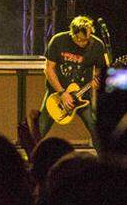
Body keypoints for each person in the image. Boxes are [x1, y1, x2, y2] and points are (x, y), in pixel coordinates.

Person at [37, 16, 107, 152]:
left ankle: (105, 161)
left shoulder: (97, 46)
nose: (83, 43)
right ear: (72, 33)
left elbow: (99, 73)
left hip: (81, 95)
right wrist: (62, 93)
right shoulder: (58, 40)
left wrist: (98, 83)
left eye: (87, 39)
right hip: (57, 94)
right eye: (80, 39)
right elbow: (49, 69)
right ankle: (31, 160)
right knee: (40, 128)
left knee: (95, 127)